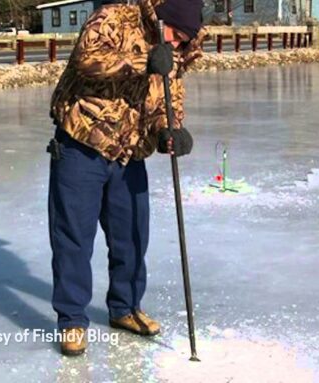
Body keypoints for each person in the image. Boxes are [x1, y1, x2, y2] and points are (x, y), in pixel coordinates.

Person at [47, 0, 205, 356]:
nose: (177, 45)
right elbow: (86, 60)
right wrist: (142, 61)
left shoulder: (174, 50)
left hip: (130, 150)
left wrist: (170, 131)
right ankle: (72, 320)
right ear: (163, 17)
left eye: (184, 41)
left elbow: (168, 98)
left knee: (132, 234)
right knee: (74, 237)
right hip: (82, 143)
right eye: (175, 36)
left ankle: (126, 308)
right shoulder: (115, 16)